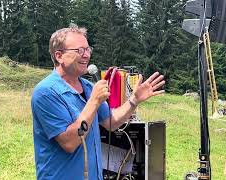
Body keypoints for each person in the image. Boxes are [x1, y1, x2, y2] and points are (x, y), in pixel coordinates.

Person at [31, 23, 165, 180]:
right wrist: (94, 101)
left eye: (88, 49)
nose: (86, 55)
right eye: (79, 50)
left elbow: (111, 122)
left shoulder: (88, 87)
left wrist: (134, 100)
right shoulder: (46, 92)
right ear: (59, 56)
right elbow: (70, 142)